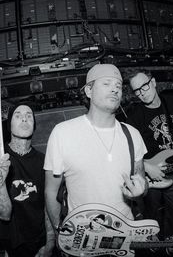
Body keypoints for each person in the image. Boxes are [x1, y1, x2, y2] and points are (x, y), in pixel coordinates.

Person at [44, 64, 148, 255]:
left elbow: (141, 179)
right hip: (83, 241)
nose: (115, 88)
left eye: (118, 85)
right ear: (89, 90)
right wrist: (62, 233)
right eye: (107, 83)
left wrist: (141, 189)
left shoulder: (132, 134)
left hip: (124, 237)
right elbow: (51, 191)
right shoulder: (63, 133)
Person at [126, 71, 173, 255]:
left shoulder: (171, 102)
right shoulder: (134, 115)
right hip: (150, 176)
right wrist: (147, 167)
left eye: (144, 86)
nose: (141, 93)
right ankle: (152, 236)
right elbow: (127, 150)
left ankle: (170, 236)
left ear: (153, 82)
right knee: (151, 210)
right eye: (136, 91)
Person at [0, 103, 54, 257]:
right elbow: (4, 214)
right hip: (13, 244)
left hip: (41, 240)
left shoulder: (44, 160)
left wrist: (50, 241)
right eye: (18, 115)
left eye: (29, 115)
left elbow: (47, 206)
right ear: (9, 125)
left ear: (34, 125)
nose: (24, 118)